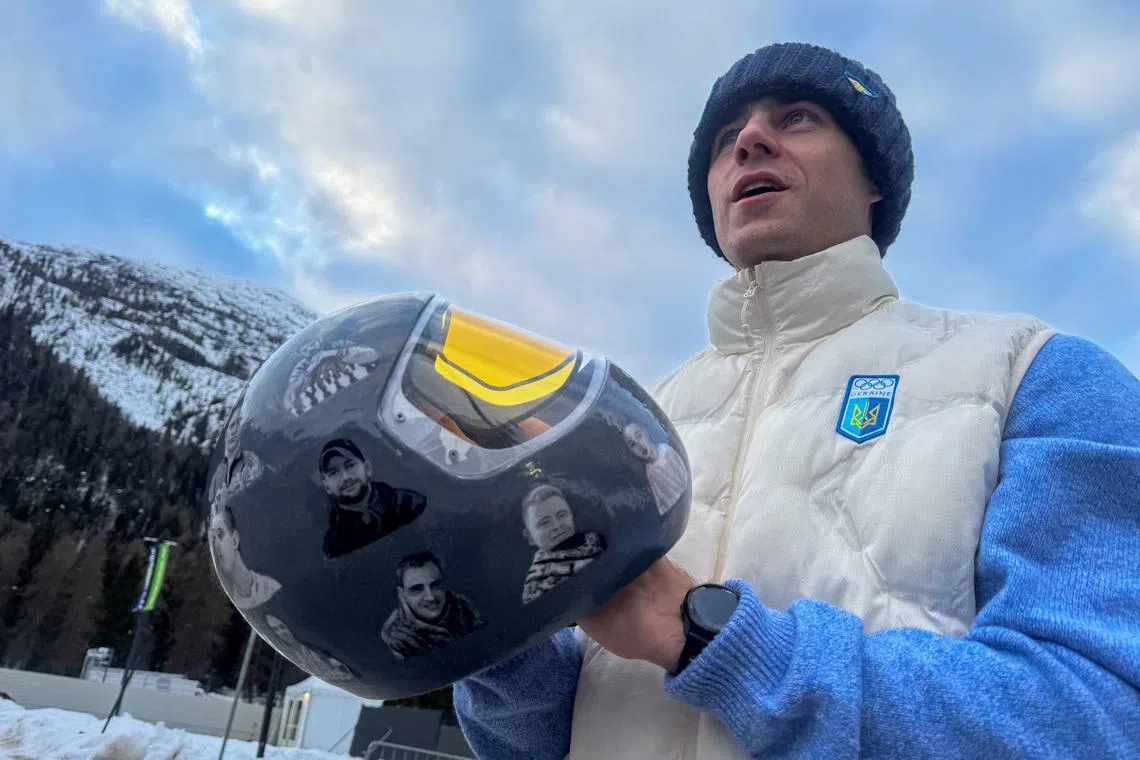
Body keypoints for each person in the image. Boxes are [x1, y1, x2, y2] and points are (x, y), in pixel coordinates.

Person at [452, 42, 1140, 758]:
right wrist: (499, 643)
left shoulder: (1034, 373)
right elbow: (541, 741)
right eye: (725, 140)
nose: (750, 139)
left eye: (799, 117)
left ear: (875, 179)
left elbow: (1106, 714)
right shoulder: (626, 422)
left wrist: (698, 633)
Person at [319, 438, 427, 558]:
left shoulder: (408, 504)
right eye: (333, 473)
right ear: (327, 486)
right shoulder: (335, 545)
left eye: (350, 465)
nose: (345, 477)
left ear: (367, 468)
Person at [381, 551, 487, 660]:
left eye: (435, 585)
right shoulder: (397, 637)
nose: (430, 597)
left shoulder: (466, 608)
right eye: (417, 589)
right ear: (402, 594)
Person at [519, 484, 608, 604]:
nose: (557, 526)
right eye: (544, 523)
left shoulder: (596, 540)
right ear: (530, 537)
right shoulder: (537, 583)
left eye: (562, 515)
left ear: (572, 515)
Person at [209, 506, 281, 611]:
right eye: (213, 538)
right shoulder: (232, 604)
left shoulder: (271, 588)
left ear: (235, 540)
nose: (216, 545)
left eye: (220, 535)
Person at [622, 421, 689, 515]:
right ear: (631, 451)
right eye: (633, 444)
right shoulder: (649, 470)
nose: (639, 445)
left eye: (639, 435)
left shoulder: (666, 451)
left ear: (645, 433)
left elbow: (684, 479)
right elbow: (662, 502)